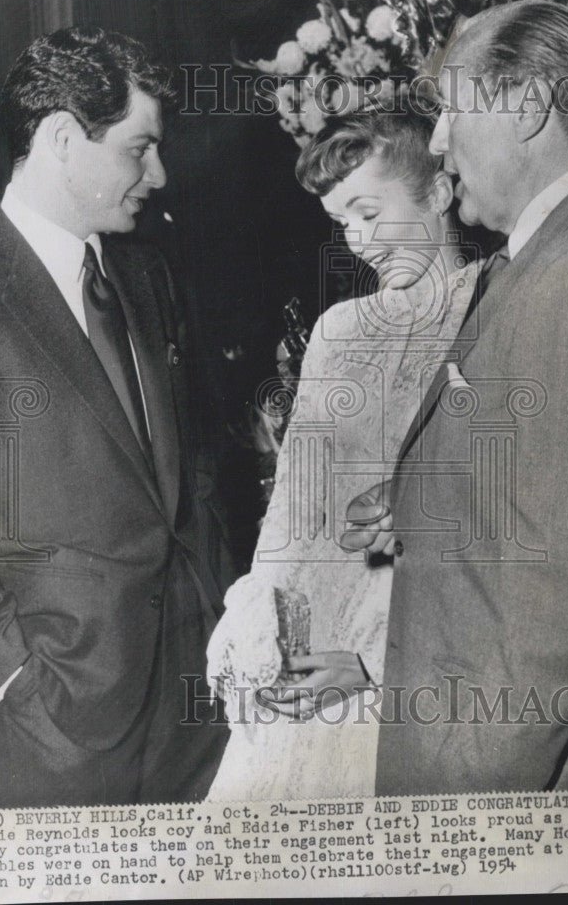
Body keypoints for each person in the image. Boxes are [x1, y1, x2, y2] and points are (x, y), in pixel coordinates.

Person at [343, 0, 568, 793]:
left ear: (529, 108)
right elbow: (565, 488)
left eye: (452, 108)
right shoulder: (564, 247)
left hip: (489, 777)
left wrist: (462, 802)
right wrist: (426, 488)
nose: (439, 140)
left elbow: (566, 600)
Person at [0, 26, 236, 808]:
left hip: (195, 691)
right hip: (63, 717)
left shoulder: (145, 271)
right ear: (62, 137)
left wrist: (217, 605)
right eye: (140, 149)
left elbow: (190, 461)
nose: (159, 175)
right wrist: (14, 680)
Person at [205, 110, 481, 800]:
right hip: (313, 642)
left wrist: (373, 662)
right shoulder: (338, 330)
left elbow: (493, 529)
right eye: (342, 223)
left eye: (368, 212)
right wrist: (258, 618)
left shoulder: (495, 309)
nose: (357, 241)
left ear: (440, 193)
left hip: (419, 662)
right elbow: (297, 498)